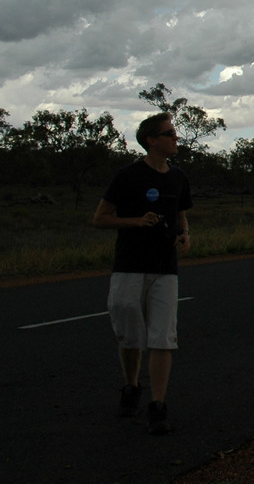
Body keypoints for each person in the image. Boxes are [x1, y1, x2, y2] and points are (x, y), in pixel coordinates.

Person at [92, 112, 192, 435]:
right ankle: (131, 385)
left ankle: (158, 404)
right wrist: (135, 221)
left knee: (163, 337)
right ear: (152, 140)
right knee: (130, 334)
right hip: (129, 266)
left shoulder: (178, 177)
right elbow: (101, 218)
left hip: (165, 269)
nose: (176, 138)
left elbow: (180, 213)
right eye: (170, 134)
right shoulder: (128, 176)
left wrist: (184, 233)